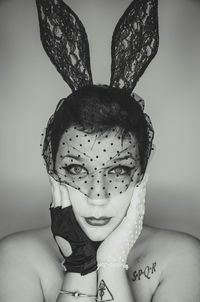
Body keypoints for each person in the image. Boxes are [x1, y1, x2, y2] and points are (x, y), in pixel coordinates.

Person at [1, 1, 200, 302]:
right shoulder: (16, 258)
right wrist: (80, 263)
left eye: (118, 170)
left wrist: (111, 262)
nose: (98, 195)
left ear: (141, 173)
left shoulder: (182, 259)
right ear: (51, 168)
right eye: (77, 169)